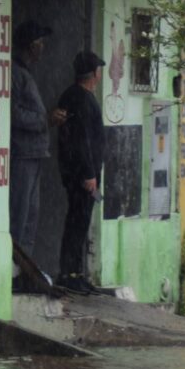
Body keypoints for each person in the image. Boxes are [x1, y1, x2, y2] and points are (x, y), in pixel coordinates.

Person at [51, 49, 107, 296]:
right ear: (94, 73)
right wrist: (88, 174)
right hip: (81, 174)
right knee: (77, 221)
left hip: (78, 171)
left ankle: (75, 272)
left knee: (79, 222)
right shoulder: (81, 99)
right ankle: (69, 274)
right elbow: (81, 140)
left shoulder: (76, 96)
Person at [9, 23, 55, 287]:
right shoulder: (16, 74)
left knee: (30, 218)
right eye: (39, 43)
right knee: (19, 216)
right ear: (30, 46)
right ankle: (13, 273)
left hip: (34, 154)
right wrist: (43, 120)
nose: (43, 49)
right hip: (22, 154)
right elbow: (13, 113)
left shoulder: (26, 74)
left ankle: (25, 273)